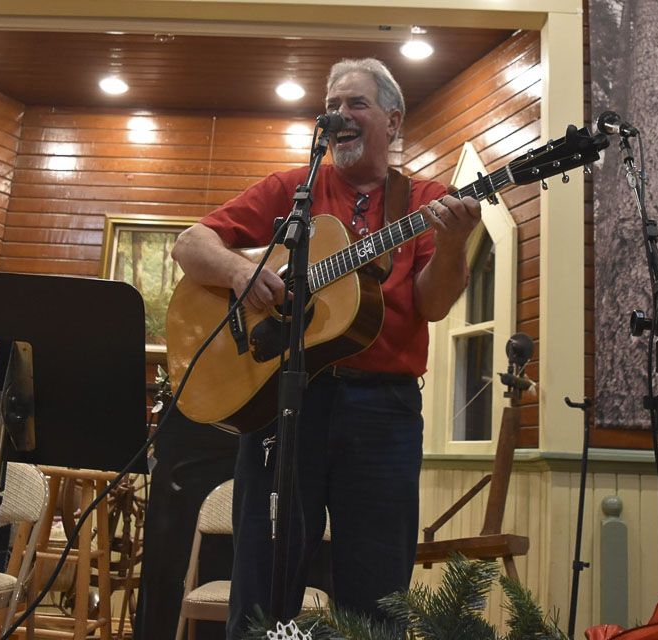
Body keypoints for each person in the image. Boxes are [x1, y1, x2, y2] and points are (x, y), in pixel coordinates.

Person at [171, 57, 482, 638]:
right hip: (282, 404)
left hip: (383, 412)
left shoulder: (424, 199)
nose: (338, 114)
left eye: (355, 104)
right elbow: (191, 243)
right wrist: (240, 274)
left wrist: (454, 243)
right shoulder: (292, 188)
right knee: (262, 577)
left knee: (378, 588)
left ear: (393, 121)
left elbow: (432, 306)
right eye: (332, 104)